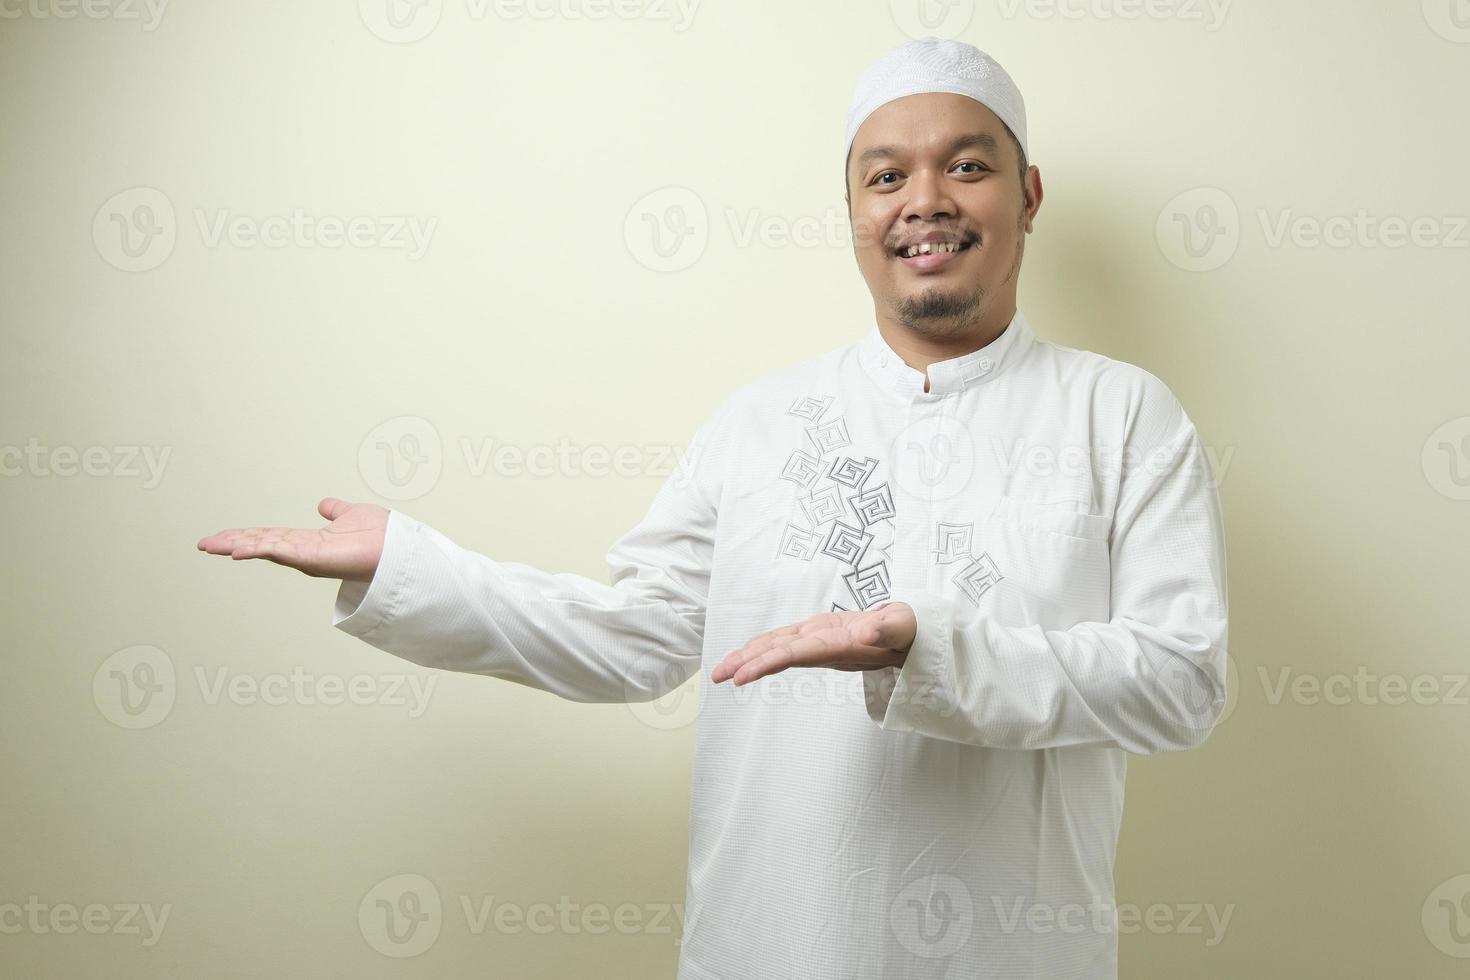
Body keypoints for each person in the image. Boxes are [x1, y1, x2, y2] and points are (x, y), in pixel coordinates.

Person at [197, 36, 1229, 980]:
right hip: (770, 946)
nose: (925, 200)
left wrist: (930, 646)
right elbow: (635, 639)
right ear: (854, 213)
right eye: (886, 175)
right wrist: (410, 566)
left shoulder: (1125, 417)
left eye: (967, 164)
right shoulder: (760, 423)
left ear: (1028, 193)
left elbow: (1182, 678)